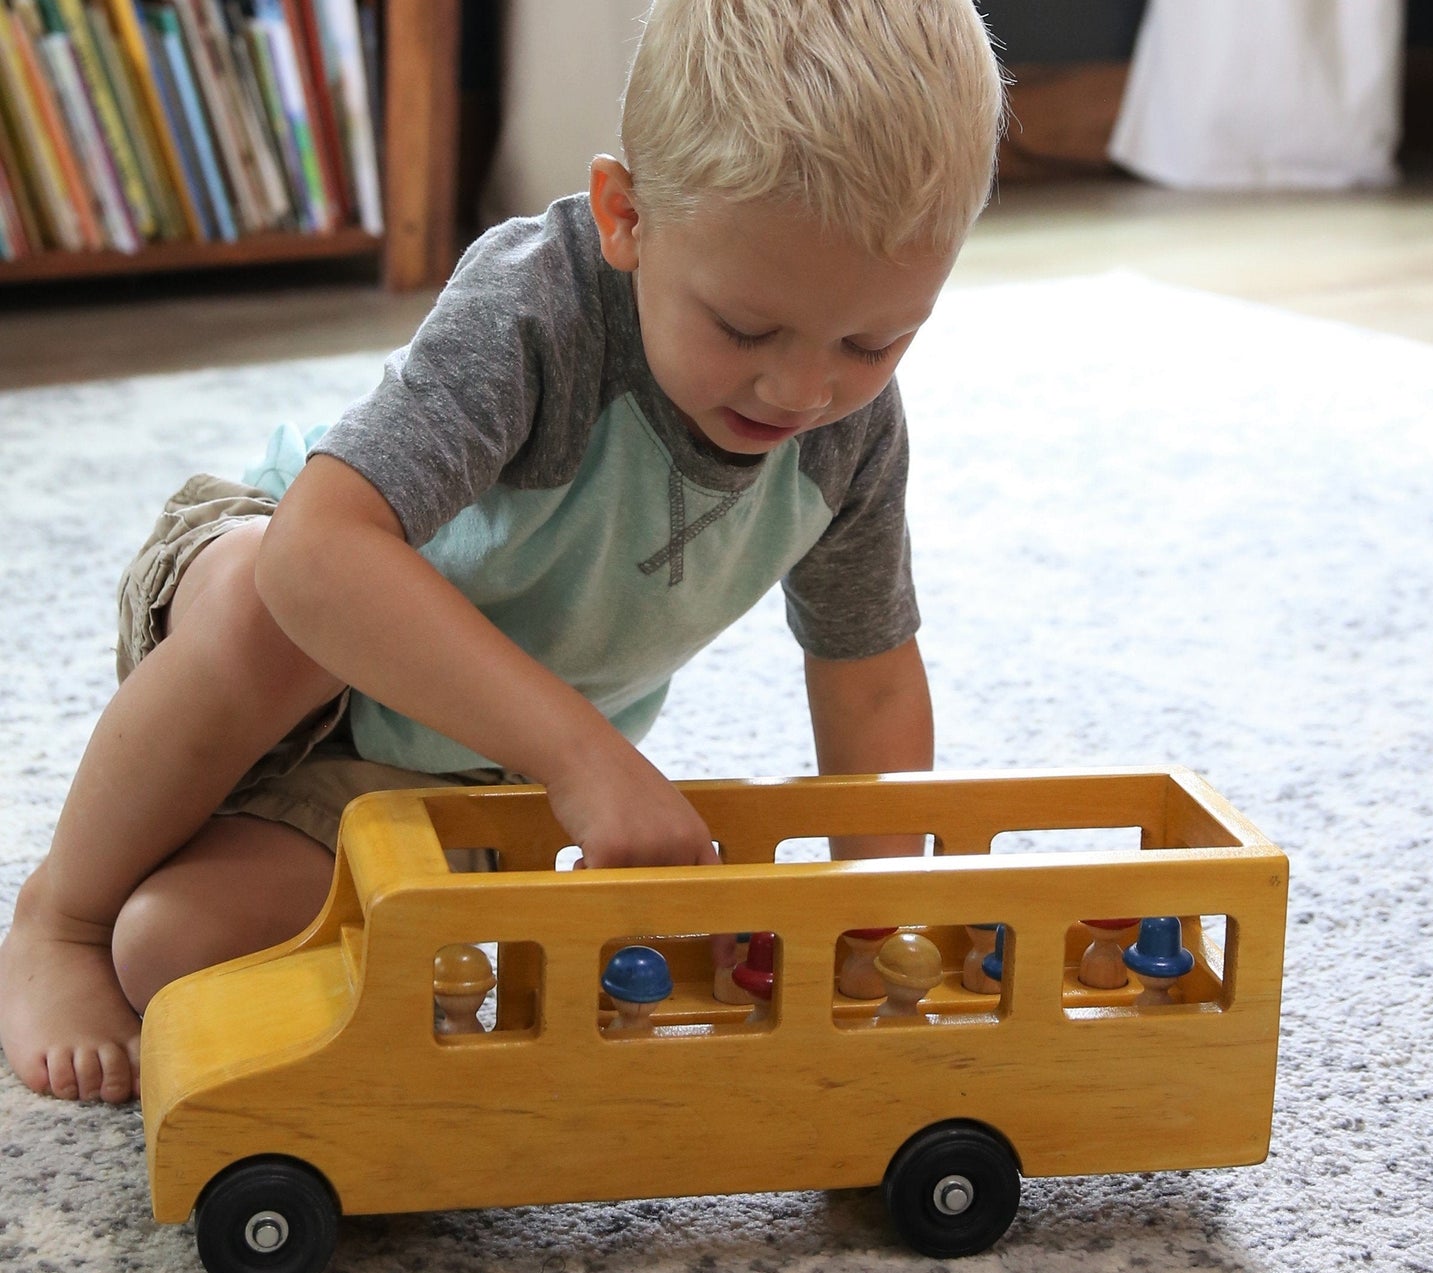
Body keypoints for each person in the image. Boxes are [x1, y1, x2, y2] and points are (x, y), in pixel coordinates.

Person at [0, 0, 1004, 1102]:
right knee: (258, 605)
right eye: (743, 328)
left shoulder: (848, 433)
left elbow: (865, 683)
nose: (801, 390)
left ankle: (143, 906)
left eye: (872, 341)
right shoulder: (539, 308)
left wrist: (866, 927)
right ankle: (61, 915)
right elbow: (314, 556)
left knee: (171, 952)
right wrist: (587, 759)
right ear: (626, 216)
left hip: (463, 760)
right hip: (283, 650)